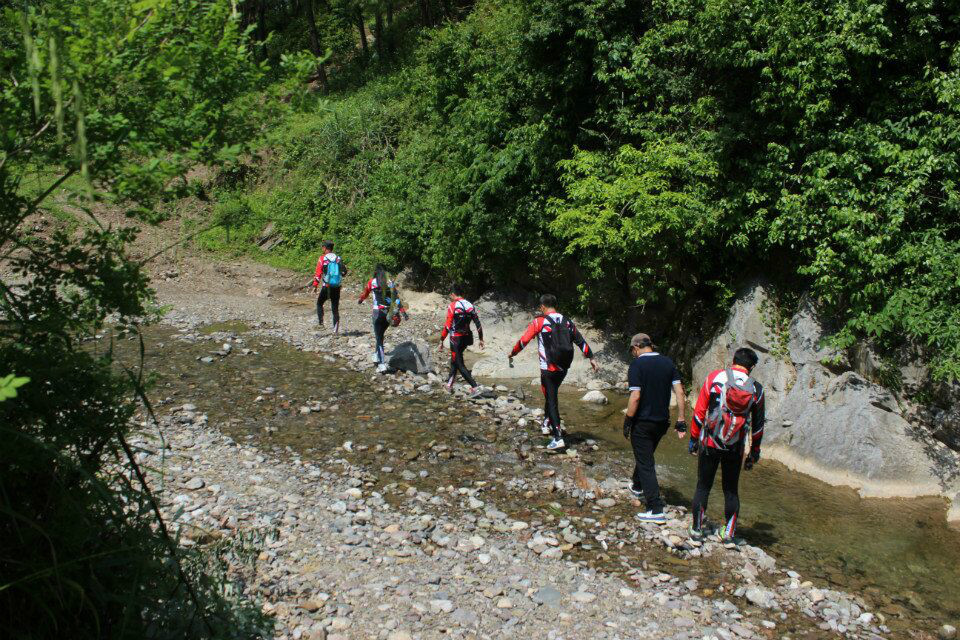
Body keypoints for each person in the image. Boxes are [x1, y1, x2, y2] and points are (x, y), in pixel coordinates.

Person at [688, 347, 765, 542]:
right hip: (735, 446)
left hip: (710, 442)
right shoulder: (757, 389)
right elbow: (757, 427)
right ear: (752, 367)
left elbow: (699, 412)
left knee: (703, 486)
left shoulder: (715, 377)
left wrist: (693, 439)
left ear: (733, 360)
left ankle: (697, 529)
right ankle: (728, 533)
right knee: (731, 490)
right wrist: (754, 452)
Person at [509, 294, 598, 451]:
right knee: (551, 393)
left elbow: (524, 341)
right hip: (564, 367)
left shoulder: (540, 321)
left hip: (548, 367)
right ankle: (546, 422)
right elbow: (580, 341)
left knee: (551, 399)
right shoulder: (567, 321)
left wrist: (513, 353)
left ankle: (558, 438)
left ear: (542, 307)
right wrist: (591, 357)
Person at [622, 333, 687, 524]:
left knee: (646, 463)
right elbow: (680, 391)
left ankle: (655, 508)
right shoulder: (668, 362)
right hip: (662, 421)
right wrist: (681, 419)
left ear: (635, 348)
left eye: (632, 351)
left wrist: (627, 420)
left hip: (643, 421)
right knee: (646, 455)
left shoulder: (636, 365)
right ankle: (637, 485)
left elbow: (635, 396)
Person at [358, 265, 407, 372]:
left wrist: (361, 299)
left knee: (379, 338)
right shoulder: (389, 282)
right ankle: (376, 356)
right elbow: (396, 298)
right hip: (389, 314)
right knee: (380, 335)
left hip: (378, 313)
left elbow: (365, 293)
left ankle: (382, 363)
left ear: (375, 272)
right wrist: (403, 312)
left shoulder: (372, 282)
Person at [439, 285, 485, 398]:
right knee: (455, 360)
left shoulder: (452, 306)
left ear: (453, 294)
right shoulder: (470, 305)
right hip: (467, 338)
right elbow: (478, 324)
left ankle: (475, 387)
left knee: (459, 363)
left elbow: (447, 326)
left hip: (455, 339)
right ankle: (449, 386)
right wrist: (481, 339)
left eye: (450, 295)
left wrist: (441, 340)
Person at [311, 241, 348, 333]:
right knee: (335, 308)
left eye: (322, 247)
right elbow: (344, 272)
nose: (322, 249)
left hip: (326, 286)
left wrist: (315, 285)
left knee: (319, 303)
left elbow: (318, 273)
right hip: (336, 286)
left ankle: (321, 324)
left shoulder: (322, 258)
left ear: (325, 248)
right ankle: (335, 330)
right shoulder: (338, 258)